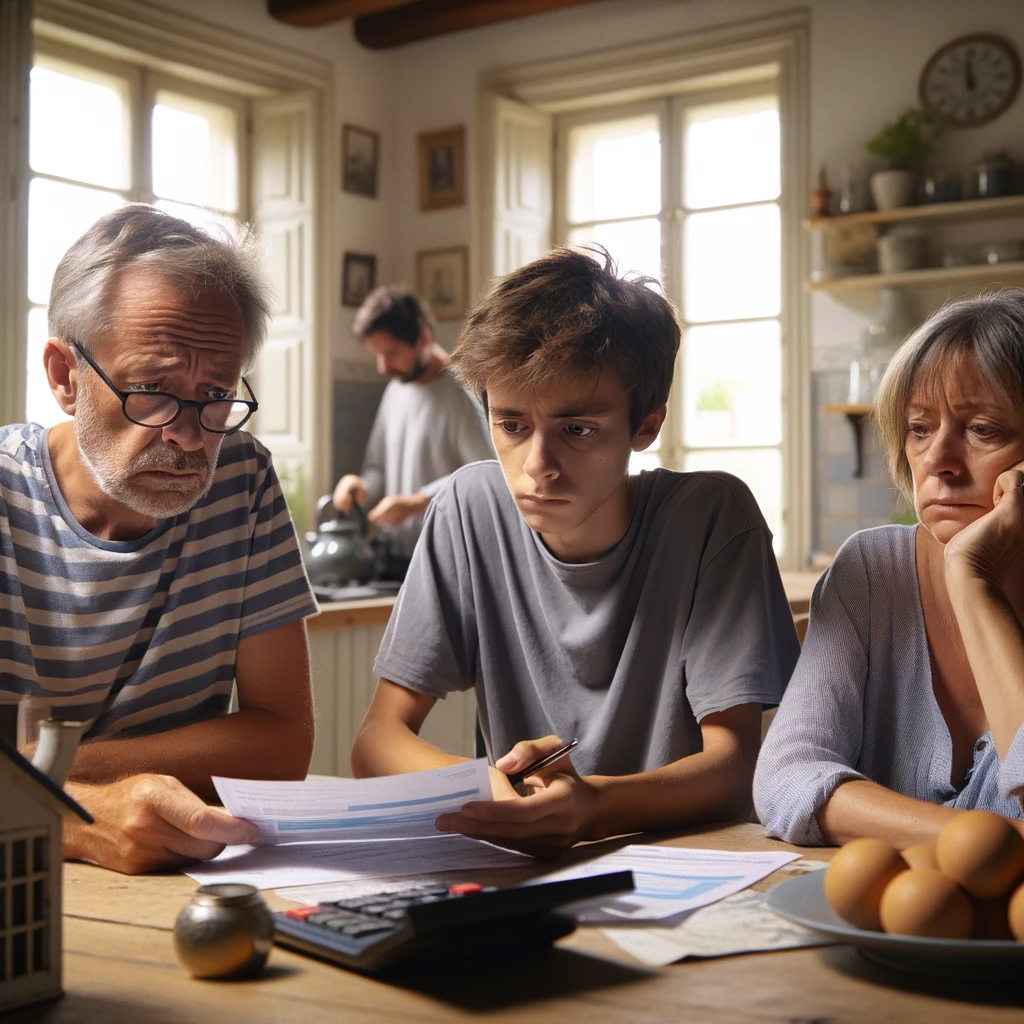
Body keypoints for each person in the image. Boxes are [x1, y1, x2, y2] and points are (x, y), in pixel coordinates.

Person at [351, 248, 800, 855]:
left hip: (686, 863)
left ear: (646, 425)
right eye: (511, 426)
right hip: (531, 869)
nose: (538, 466)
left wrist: (595, 804)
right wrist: (482, 784)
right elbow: (378, 739)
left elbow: (736, 765)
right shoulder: (467, 508)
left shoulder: (711, 519)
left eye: (578, 429)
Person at [0, 205, 319, 873]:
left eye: (215, 393)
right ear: (64, 376)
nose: (191, 435)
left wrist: (54, 767)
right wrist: (76, 821)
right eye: (152, 391)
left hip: (167, 881)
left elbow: (283, 743)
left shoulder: (242, 482)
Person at [754, 291, 1024, 847]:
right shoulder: (871, 571)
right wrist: (977, 841)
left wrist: (974, 582)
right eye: (920, 428)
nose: (938, 462)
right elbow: (785, 777)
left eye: (982, 429)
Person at [331, 286, 493, 574]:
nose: (382, 367)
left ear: (423, 339)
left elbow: (484, 473)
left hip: (448, 561)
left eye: (391, 353)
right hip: (395, 559)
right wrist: (361, 486)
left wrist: (417, 502)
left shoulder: (462, 393)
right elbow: (377, 466)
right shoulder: (396, 388)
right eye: (377, 355)